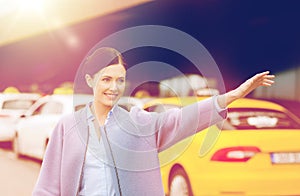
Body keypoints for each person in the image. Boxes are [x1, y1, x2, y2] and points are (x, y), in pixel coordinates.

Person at [32, 47, 275, 196]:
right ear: (89, 80)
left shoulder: (139, 123)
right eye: (106, 79)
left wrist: (229, 98)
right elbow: (48, 187)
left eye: (120, 80)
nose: (113, 87)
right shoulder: (68, 127)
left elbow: (181, 119)